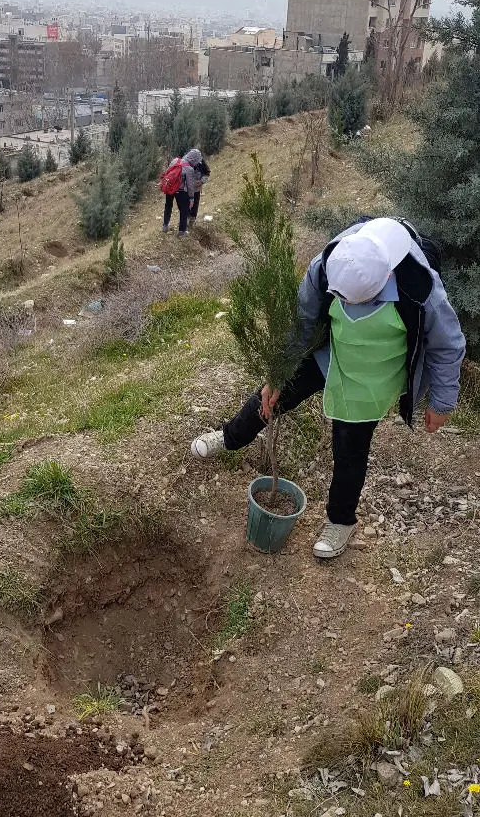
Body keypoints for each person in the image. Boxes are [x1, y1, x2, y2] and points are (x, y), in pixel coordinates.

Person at [191, 217, 466, 560]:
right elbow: (304, 322)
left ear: (386, 279)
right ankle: (229, 437)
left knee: (350, 446)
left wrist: (442, 402)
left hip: (374, 375)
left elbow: (448, 345)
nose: (347, 306)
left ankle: (340, 522)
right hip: (329, 353)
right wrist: (278, 373)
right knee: (273, 396)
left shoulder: (420, 286)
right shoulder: (327, 265)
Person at [162, 149, 202, 237]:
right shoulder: (189, 169)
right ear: (194, 159)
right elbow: (190, 186)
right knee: (184, 210)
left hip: (169, 187)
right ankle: (182, 231)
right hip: (180, 191)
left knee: (168, 206)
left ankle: (165, 225)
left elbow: (167, 172)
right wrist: (191, 197)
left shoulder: (175, 160)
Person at [189, 155, 211, 228]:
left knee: (195, 205)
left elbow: (207, 172)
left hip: (196, 189)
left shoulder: (201, 162)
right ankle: (185, 222)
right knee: (185, 205)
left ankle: (192, 221)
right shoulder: (185, 161)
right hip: (186, 189)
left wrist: (201, 181)